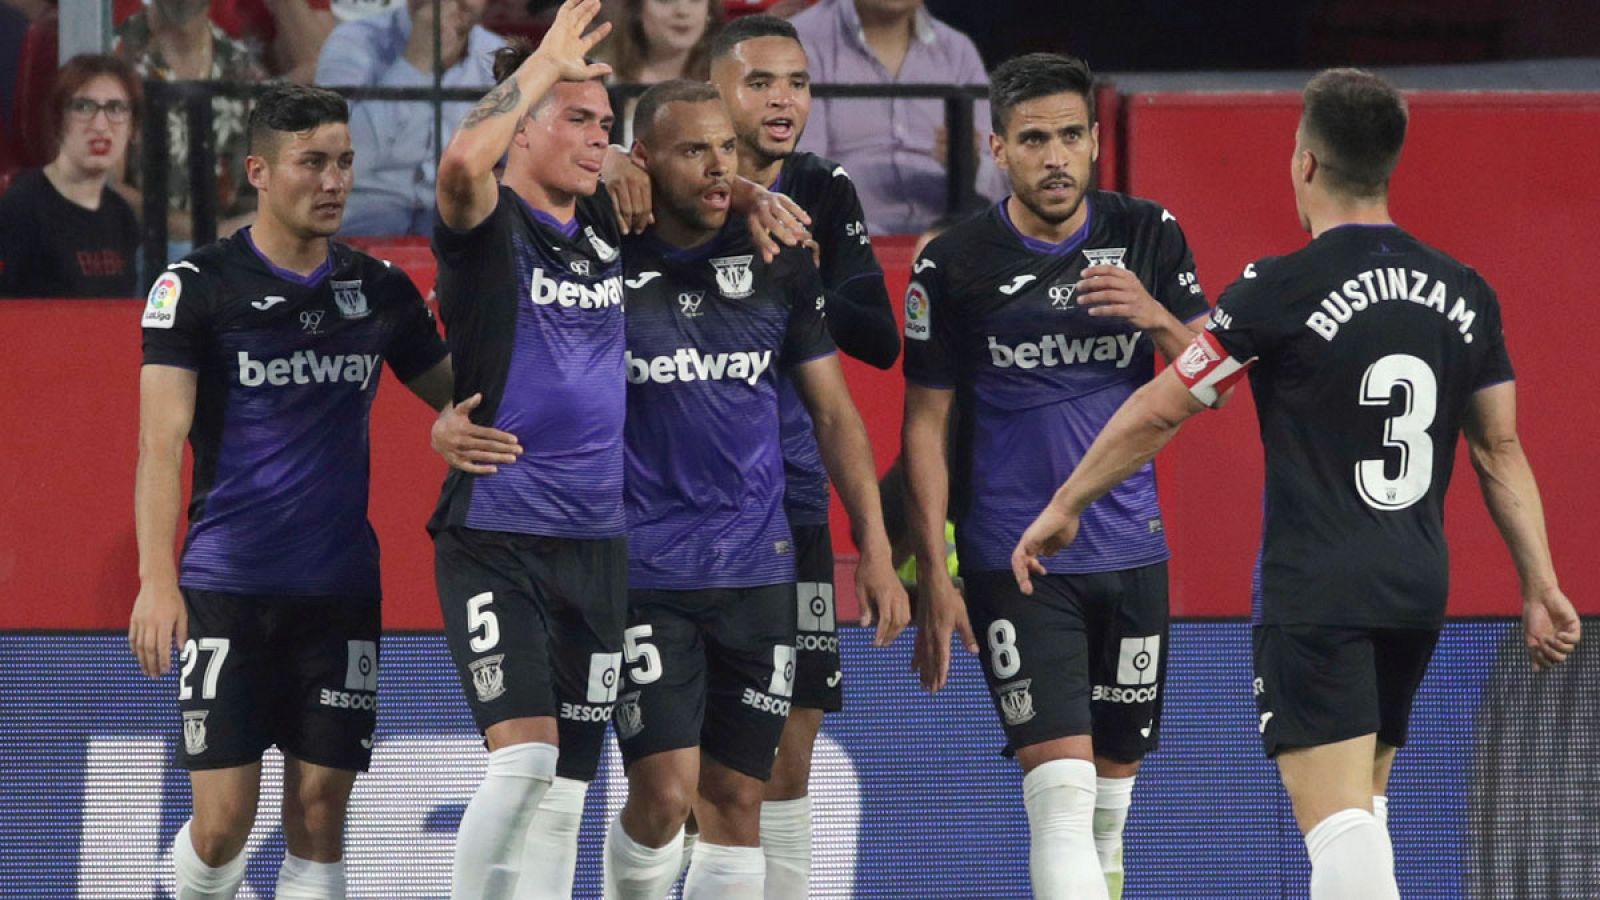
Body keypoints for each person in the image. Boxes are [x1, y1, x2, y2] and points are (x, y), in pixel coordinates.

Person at [1011, 68, 1582, 900]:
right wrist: (1542, 583)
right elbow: (1500, 451)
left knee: (1337, 822)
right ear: (1387, 165)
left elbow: (1163, 408)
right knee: (1365, 806)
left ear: (1305, 164)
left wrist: (1066, 504)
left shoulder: (1280, 285)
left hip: (1318, 587)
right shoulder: (1467, 292)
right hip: (1417, 586)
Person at [128, 83, 453, 900]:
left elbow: (463, 396)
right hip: (228, 588)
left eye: (344, 162)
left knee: (317, 816)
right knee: (222, 826)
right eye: (312, 162)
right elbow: (159, 443)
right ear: (260, 172)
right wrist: (157, 581)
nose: (334, 180)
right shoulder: (196, 287)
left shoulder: (379, 290)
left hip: (340, 590)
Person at [904, 53, 1210, 900]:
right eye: (1033, 139)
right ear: (996, 147)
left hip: (1131, 552)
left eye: (1071, 136)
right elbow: (924, 425)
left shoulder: (1150, 234)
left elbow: (1213, 379)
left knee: (1111, 802)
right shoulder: (954, 264)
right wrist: (937, 569)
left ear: (1094, 142)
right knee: (1062, 799)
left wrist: (1152, 314)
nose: (1055, 157)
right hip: (1015, 559)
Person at [600, 78, 905, 900]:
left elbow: (836, 416)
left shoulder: (777, 265)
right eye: (693, 150)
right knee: (664, 796)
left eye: (725, 150)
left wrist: (872, 547)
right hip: (645, 578)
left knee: (739, 800)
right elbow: (491, 199)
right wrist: (598, 177)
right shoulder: (598, 257)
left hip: (759, 575)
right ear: (643, 161)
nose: (715, 166)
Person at [788, 0, 1005, 235]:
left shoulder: (957, 50)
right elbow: (802, 175)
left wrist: (970, 165)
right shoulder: (799, 43)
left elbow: (1001, 179)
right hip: (847, 238)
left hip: (951, 238)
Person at [315, 0, 506, 235]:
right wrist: (415, 64)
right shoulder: (352, 43)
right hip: (359, 228)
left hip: (457, 233)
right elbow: (340, 160)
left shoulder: (497, 58)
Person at [115, 0, 267, 243]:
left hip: (223, 260)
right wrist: (204, 232)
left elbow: (259, 190)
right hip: (136, 251)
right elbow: (105, 186)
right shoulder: (118, 59)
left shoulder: (243, 69)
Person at [0, 54, 140, 298]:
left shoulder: (122, 216)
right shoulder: (20, 209)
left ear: (132, 128)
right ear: (58, 119)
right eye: (83, 107)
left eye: (116, 109)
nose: (100, 125)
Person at [595, 0, 725, 146]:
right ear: (637, 8)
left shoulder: (724, 81)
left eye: (695, 0)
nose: (682, 11)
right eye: (665, 1)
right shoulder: (599, 77)